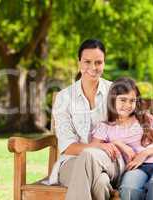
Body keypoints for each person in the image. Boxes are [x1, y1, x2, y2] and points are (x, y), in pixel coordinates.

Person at [47, 39, 124, 200]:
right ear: (79, 63)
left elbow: (136, 124)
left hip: (108, 161)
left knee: (89, 156)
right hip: (71, 163)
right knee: (101, 183)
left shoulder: (115, 92)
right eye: (87, 62)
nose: (93, 68)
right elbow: (67, 147)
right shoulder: (64, 97)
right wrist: (95, 146)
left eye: (98, 62)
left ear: (104, 63)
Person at [91, 77, 153, 200]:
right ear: (112, 100)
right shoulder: (105, 127)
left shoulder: (145, 119)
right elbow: (93, 147)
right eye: (123, 100)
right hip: (134, 168)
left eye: (132, 101)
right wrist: (117, 143)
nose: (127, 105)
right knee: (129, 189)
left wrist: (145, 153)